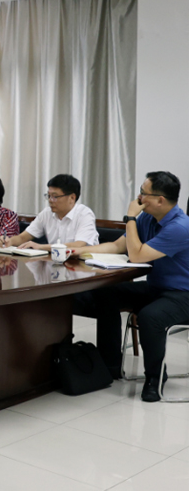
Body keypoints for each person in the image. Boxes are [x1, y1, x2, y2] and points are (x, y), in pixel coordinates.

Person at [72, 172, 189, 401]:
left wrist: (130, 217)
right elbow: (118, 246)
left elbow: (137, 255)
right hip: (157, 289)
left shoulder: (180, 227)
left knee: (150, 317)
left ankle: (155, 377)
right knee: (106, 292)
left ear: (160, 200)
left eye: (143, 193)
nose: (138, 198)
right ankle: (110, 365)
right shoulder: (147, 218)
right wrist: (78, 251)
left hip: (183, 294)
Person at [2, 174, 98, 251]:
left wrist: (40, 247)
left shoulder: (84, 214)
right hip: (54, 262)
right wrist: (10, 241)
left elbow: (79, 245)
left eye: (55, 197)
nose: (50, 200)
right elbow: (23, 237)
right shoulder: (47, 213)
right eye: (49, 196)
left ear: (72, 198)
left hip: (82, 264)